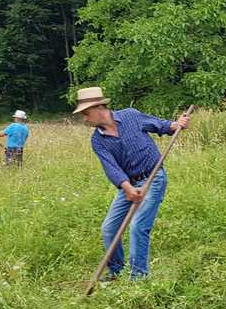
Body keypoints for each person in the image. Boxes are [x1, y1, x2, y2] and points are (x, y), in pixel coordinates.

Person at [72, 87, 191, 281]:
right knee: (109, 228)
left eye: (86, 113)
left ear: (98, 107)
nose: (85, 118)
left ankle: (138, 278)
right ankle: (117, 271)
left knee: (138, 225)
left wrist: (176, 124)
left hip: (153, 178)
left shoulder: (131, 116)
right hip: (129, 184)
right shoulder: (98, 141)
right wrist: (127, 188)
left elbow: (159, 125)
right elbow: (112, 168)